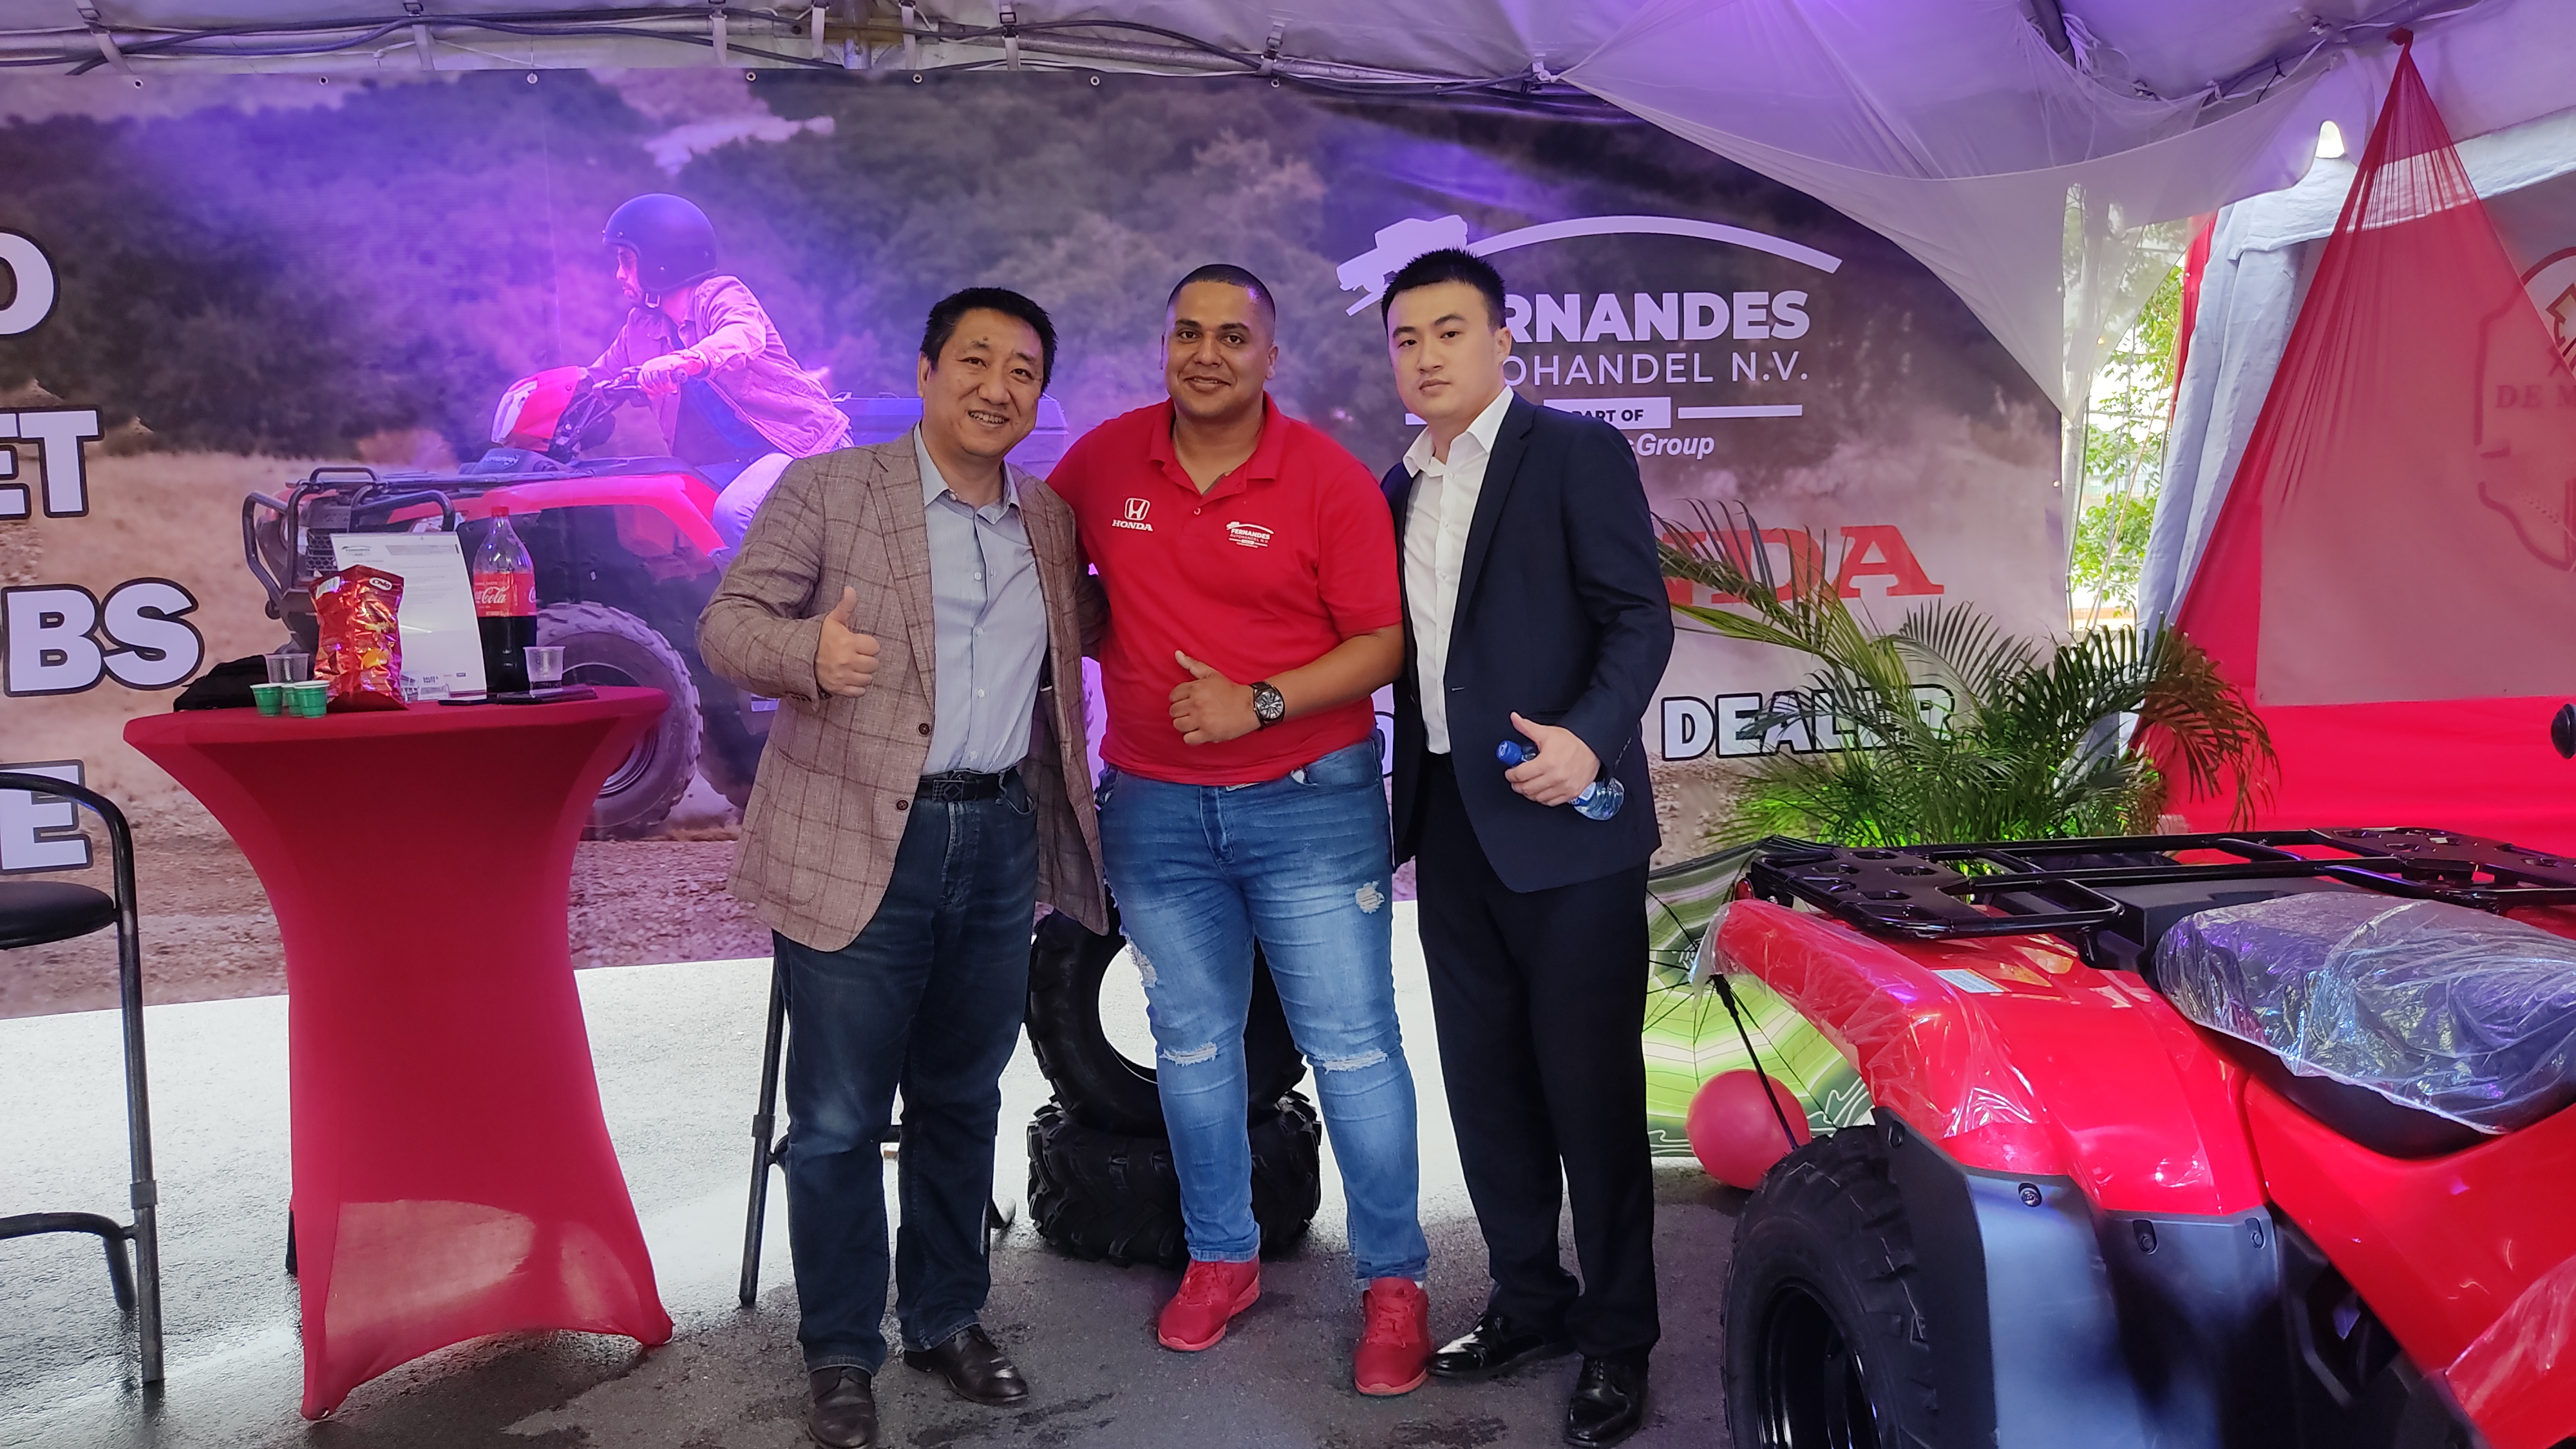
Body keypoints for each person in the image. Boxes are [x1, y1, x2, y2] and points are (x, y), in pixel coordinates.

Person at [699, 287, 1106, 1449]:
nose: (996, 386)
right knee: (835, 1119)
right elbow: (727, 626)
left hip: (997, 837)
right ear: (926, 373)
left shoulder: (1049, 518)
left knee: (962, 1097)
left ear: (1039, 395)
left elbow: (1088, 637)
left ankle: (946, 1318)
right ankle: (840, 1351)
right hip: (852, 835)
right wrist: (808, 653)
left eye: (1022, 370)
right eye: (974, 360)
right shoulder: (829, 487)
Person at [1045, 264, 1433, 1395]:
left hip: (1311, 799)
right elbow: (1041, 568)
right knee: (1194, 1043)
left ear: (1271, 356)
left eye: (1232, 336)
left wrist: (1257, 702)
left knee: (1353, 1046)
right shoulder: (1105, 460)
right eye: (1187, 334)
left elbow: (1381, 645)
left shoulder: (1325, 479)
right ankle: (1223, 1256)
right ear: (1164, 346)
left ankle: (1395, 1282)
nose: (1206, 354)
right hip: (1156, 807)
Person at [1376, 249, 1674, 1448]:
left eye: (1451, 330)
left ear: (1503, 342)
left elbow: (1638, 616)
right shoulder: (1393, 486)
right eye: (1407, 337)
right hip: (1449, 826)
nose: (1427, 355)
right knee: (1486, 1084)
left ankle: (1619, 1334)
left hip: (1567, 821)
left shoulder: (1573, 453)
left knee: (1590, 1092)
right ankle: (1527, 1300)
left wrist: (1592, 743)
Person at [594, 193, 853, 547]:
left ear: (660, 259)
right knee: (667, 500)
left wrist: (687, 360)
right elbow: (598, 377)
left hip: (806, 445)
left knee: (735, 512)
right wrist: (545, 398)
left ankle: (786, 585)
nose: (619, 274)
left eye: (627, 260)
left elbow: (742, 333)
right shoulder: (642, 327)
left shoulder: (720, 295)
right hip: (744, 462)